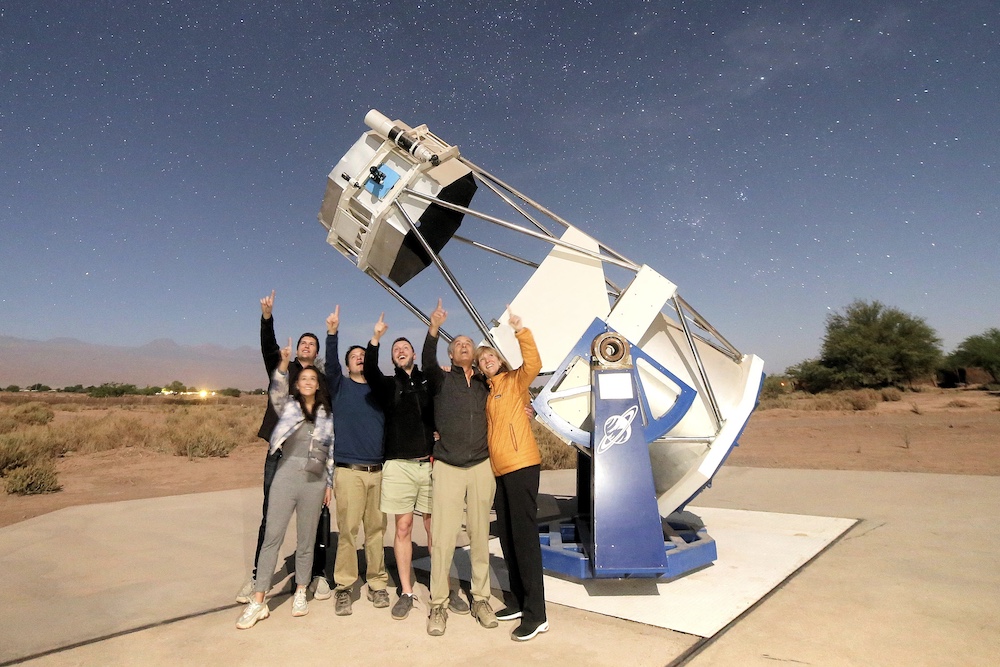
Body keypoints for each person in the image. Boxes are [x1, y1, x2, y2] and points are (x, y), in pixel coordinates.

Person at [363, 313, 470, 621]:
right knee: (403, 528)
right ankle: (407, 591)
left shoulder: (430, 380)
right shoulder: (386, 385)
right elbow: (369, 369)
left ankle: (444, 589)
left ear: (411, 353)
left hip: (429, 465)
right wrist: (376, 338)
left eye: (405, 346)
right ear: (393, 357)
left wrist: (433, 332)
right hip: (398, 466)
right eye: (395, 348)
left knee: (434, 529)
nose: (400, 350)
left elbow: (432, 362)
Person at [237, 290, 330, 603]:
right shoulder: (284, 368)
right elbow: (268, 349)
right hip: (279, 456)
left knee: (312, 518)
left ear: (316, 352)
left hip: (309, 457)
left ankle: (315, 574)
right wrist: (267, 318)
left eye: (311, 345)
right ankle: (257, 578)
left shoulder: (319, 380)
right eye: (303, 343)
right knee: (271, 517)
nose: (306, 347)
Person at [422, 299, 499, 636]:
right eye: (458, 346)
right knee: (442, 537)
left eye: (468, 344)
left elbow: (511, 398)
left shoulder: (486, 384)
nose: (464, 347)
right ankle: (438, 604)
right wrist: (435, 329)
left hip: (481, 466)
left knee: (481, 536)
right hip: (449, 466)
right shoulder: (441, 380)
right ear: (451, 356)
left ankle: (481, 598)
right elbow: (426, 362)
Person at [475, 310, 548, 641]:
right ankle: (518, 600)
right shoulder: (490, 392)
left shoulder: (514, 381)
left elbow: (532, 364)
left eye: (491, 356)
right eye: (482, 359)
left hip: (521, 466)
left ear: (500, 361)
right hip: (500, 472)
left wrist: (521, 331)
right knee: (507, 536)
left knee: (524, 539)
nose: (487, 360)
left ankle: (537, 614)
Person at [325, 306, 390, 615]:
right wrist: (333, 333)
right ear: (347, 364)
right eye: (354, 357)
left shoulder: (381, 390)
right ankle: (344, 586)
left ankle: (377, 584)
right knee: (348, 531)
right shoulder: (339, 387)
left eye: (363, 356)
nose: (360, 359)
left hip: (379, 471)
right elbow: (330, 365)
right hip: (349, 471)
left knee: (376, 532)